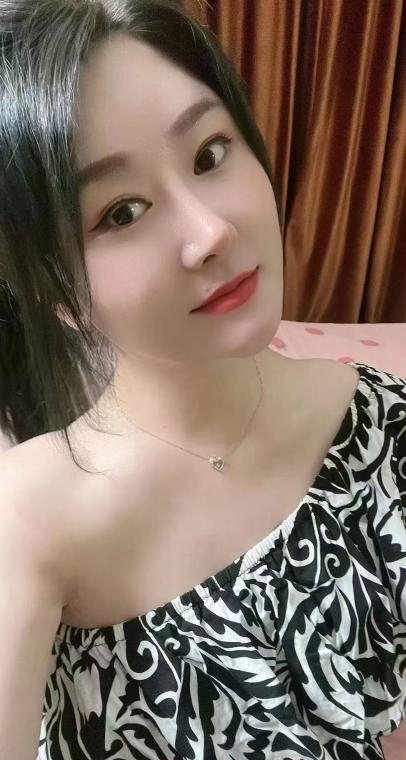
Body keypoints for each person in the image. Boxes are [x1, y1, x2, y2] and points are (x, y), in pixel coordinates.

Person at [0, 1, 405, 758]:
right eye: (122, 212)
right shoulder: (30, 521)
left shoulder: (382, 421)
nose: (210, 232)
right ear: (55, 292)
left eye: (210, 153)